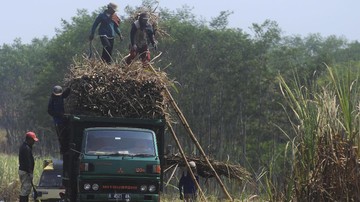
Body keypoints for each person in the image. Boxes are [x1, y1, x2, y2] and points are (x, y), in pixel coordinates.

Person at [47, 85, 71, 154]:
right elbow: (49, 111)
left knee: (68, 133)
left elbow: (65, 95)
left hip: (64, 119)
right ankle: (63, 149)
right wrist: (58, 114)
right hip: (58, 121)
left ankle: (67, 147)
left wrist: (69, 88)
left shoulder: (61, 96)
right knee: (61, 135)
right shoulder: (52, 99)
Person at [18, 131, 39, 202]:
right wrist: (30, 173)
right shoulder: (26, 148)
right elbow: (27, 162)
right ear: (29, 139)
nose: (34, 142)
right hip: (25, 172)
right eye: (33, 140)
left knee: (25, 189)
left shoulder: (25, 147)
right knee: (25, 190)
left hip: (25, 171)